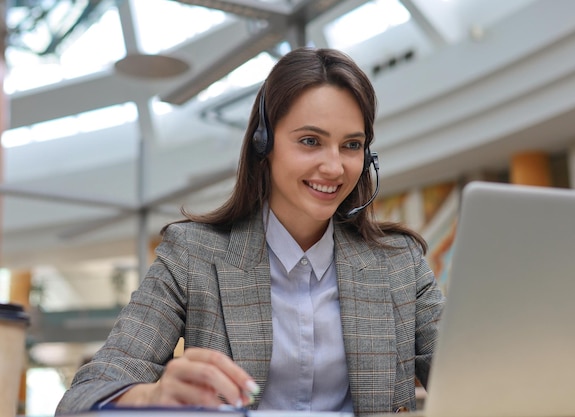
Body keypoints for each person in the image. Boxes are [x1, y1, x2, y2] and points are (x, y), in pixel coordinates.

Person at [55, 47, 445, 416]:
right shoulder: (194, 255)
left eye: (351, 145)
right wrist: (151, 397)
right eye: (310, 141)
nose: (334, 167)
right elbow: (82, 397)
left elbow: (476, 372)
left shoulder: (399, 263)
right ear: (265, 145)